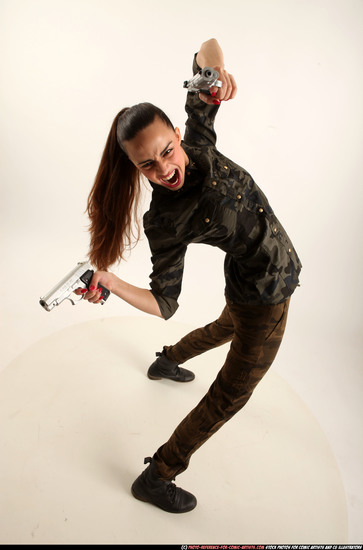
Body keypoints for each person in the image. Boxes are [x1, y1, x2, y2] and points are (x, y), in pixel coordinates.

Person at [75, 38, 302, 513]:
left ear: (178, 133)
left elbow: (208, 46)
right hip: (264, 295)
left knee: (225, 327)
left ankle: (166, 362)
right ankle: (158, 475)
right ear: (136, 169)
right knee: (228, 396)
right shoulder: (164, 221)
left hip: (250, 284)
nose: (165, 168)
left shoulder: (198, 139)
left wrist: (216, 75)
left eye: (167, 150)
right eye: (147, 165)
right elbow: (164, 302)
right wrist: (111, 281)